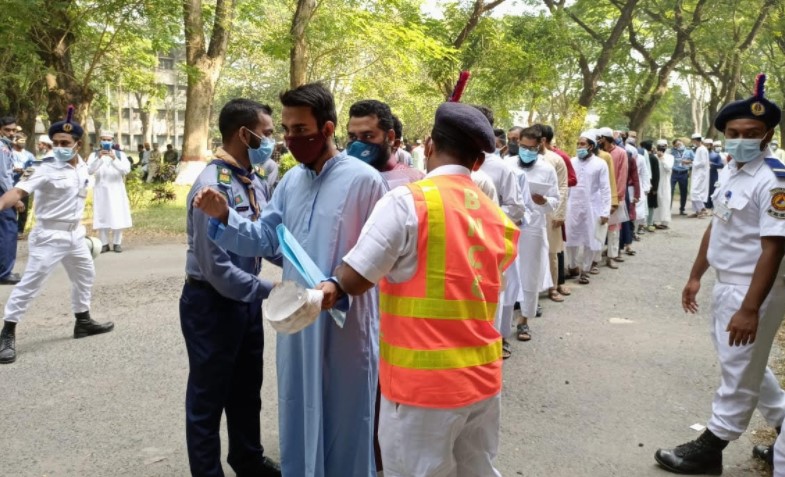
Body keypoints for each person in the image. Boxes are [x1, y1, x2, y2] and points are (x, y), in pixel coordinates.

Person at [193, 82, 387, 477]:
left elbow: (380, 254)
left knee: (347, 416)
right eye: (286, 129)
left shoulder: (365, 181)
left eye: (300, 129)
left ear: (328, 129)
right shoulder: (290, 183)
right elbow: (264, 237)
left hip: (345, 320)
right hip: (300, 318)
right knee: (299, 407)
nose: (291, 138)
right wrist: (224, 217)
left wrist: (339, 286)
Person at [317, 101, 518, 477]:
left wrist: (331, 283)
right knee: (477, 471)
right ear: (478, 161)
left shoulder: (410, 201)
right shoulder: (496, 217)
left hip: (422, 389)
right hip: (482, 381)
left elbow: (357, 277)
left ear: (428, 146)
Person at [655, 73, 785, 475]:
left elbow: (775, 246)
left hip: (754, 287)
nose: (742, 138)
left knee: (739, 368)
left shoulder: (773, 177)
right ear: (725, 134)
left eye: (752, 132)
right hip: (727, 282)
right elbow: (719, 223)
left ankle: (712, 444)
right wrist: (696, 274)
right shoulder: (731, 169)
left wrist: (750, 308)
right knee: (745, 363)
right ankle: (781, 422)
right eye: (734, 131)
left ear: (766, 135)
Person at [180, 99, 281, 477]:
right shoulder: (212, 187)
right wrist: (273, 291)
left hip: (245, 300)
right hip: (211, 303)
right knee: (209, 396)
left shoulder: (250, 179)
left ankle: (247, 458)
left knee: (246, 389)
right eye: (267, 134)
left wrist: (305, 270)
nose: (272, 141)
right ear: (245, 134)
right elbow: (217, 268)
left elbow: (264, 240)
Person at [0, 106, 114, 364]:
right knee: (30, 285)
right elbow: (17, 192)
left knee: (85, 275)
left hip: (75, 235)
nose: (59, 147)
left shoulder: (83, 166)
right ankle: (7, 332)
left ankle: (82, 322)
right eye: (55, 143)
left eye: (65, 142)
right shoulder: (42, 167)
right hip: (49, 236)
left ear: (77, 143)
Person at [506, 126, 559, 343]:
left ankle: (524, 321)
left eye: (531, 148)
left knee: (530, 274)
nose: (526, 151)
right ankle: (503, 321)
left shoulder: (547, 169)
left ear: (540, 147)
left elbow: (555, 200)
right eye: (523, 147)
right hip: (509, 226)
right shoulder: (507, 165)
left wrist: (544, 201)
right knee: (507, 274)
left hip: (533, 229)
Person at [565, 130, 612, 284]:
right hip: (572, 205)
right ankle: (572, 266)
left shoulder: (600, 163)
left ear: (591, 146)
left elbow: (605, 189)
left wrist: (606, 211)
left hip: (592, 207)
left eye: (582, 144)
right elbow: (566, 186)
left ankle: (585, 270)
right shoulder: (571, 162)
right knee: (571, 236)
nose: (579, 146)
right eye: (578, 144)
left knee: (590, 239)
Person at [347, 100, 424, 190]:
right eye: (352, 137)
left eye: (368, 136)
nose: (357, 144)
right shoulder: (344, 179)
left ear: (391, 138)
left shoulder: (416, 183)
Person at [537, 125, 569, 303]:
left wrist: (559, 213)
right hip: (531, 212)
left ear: (543, 140)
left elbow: (563, 187)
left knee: (551, 251)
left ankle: (553, 287)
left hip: (550, 210)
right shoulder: (524, 159)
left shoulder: (556, 160)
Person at [87, 131, 132, 253]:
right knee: (102, 216)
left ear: (112, 141)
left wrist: (114, 159)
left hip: (116, 190)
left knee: (117, 215)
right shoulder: (94, 155)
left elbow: (126, 170)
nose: (106, 142)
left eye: (109, 139)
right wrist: (99, 158)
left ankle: (117, 243)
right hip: (101, 190)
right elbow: (89, 170)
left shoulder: (120, 154)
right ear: (100, 140)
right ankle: (104, 243)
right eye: (104, 139)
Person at [598, 127, 628, 269]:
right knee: (599, 227)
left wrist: (618, 198)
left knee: (614, 229)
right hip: (599, 196)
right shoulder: (597, 153)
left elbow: (622, 176)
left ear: (606, 138)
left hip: (615, 196)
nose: (598, 140)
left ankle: (612, 256)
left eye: (600, 137)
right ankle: (595, 258)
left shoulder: (621, 153)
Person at [0, 116, 23, 284]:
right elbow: (3, 177)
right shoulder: (3, 148)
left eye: (14, 130)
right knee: (8, 231)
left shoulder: (7, 147)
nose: (11, 133)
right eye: (7, 130)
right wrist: (14, 199)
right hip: (4, 194)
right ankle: (5, 273)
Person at [11, 134, 35, 238]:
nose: (23, 142)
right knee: (10, 208)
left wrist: (24, 175)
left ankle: (19, 231)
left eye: (24, 140)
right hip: (10, 184)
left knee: (23, 209)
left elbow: (33, 167)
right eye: (20, 140)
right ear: (15, 141)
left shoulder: (29, 155)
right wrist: (14, 170)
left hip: (23, 185)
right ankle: (10, 230)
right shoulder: (9, 153)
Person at [653, 139, 674, 229]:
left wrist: (662, 158)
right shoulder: (653, 156)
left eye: (663, 146)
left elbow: (668, 169)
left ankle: (665, 222)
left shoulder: (670, 157)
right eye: (660, 146)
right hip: (655, 182)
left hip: (665, 182)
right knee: (655, 201)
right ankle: (653, 221)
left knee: (665, 200)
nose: (661, 148)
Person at [641, 140, 661, 232]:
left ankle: (648, 223)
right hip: (651, 185)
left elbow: (656, 174)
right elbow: (657, 175)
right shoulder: (653, 158)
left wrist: (655, 187)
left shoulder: (650, 158)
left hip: (648, 185)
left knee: (649, 204)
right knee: (650, 205)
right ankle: (648, 223)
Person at [688, 133, 710, 218]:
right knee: (693, 192)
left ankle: (702, 209)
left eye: (693, 140)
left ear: (696, 140)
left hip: (701, 174)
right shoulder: (699, 149)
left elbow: (703, 162)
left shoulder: (702, 149)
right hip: (697, 173)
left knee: (695, 192)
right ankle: (697, 211)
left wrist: (691, 162)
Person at [671, 139, 694, 215]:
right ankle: (668, 209)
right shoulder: (672, 151)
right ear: (674, 146)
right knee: (670, 191)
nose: (679, 145)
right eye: (677, 144)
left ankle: (682, 209)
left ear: (683, 143)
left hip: (684, 173)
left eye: (680, 143)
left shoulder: (689, 151)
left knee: (684, 192)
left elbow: (695, 160)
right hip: (674, 173)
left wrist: (689, 163)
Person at [707, 139, 724, 210]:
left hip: (717, 175)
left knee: (716, 190)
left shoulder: (718, 155)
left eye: (719, 146)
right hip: (708, 175)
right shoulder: (706, 154)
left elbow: (721, 165)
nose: (718, 147)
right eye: (716, 146)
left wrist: (712, 164)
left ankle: (714, 205)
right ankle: (707, 205)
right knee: (708, 190)